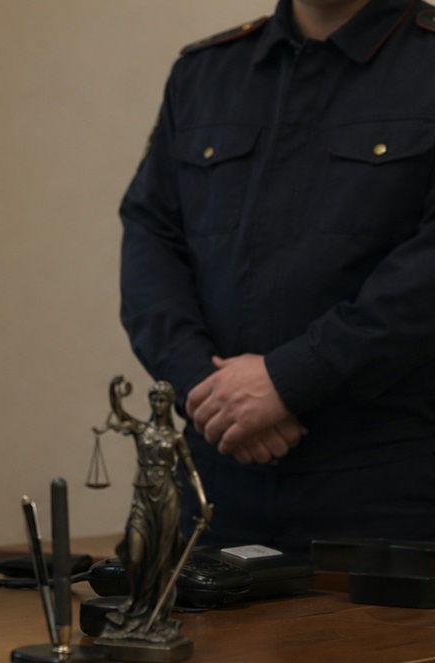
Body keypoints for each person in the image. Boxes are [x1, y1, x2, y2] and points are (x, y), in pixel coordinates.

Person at [119, 0, 435, 552]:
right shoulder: (206, 73)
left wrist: (289, 379)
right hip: (213, 474)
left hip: (387, 482)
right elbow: (151, 245)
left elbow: (423, 279)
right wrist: (206, 389)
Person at [95, 377, 210, 642]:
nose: (158, 404)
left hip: (167, 495)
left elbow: (191, 471)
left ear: (169, 404)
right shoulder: (141, 429)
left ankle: (156, 616)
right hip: (143, 495)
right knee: (134, 555)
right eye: (155, 399)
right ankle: (136, 602)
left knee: (161, 556)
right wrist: (114, 388)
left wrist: (203, 502)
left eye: (163, 400)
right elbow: (119, 410)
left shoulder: (176, 437)